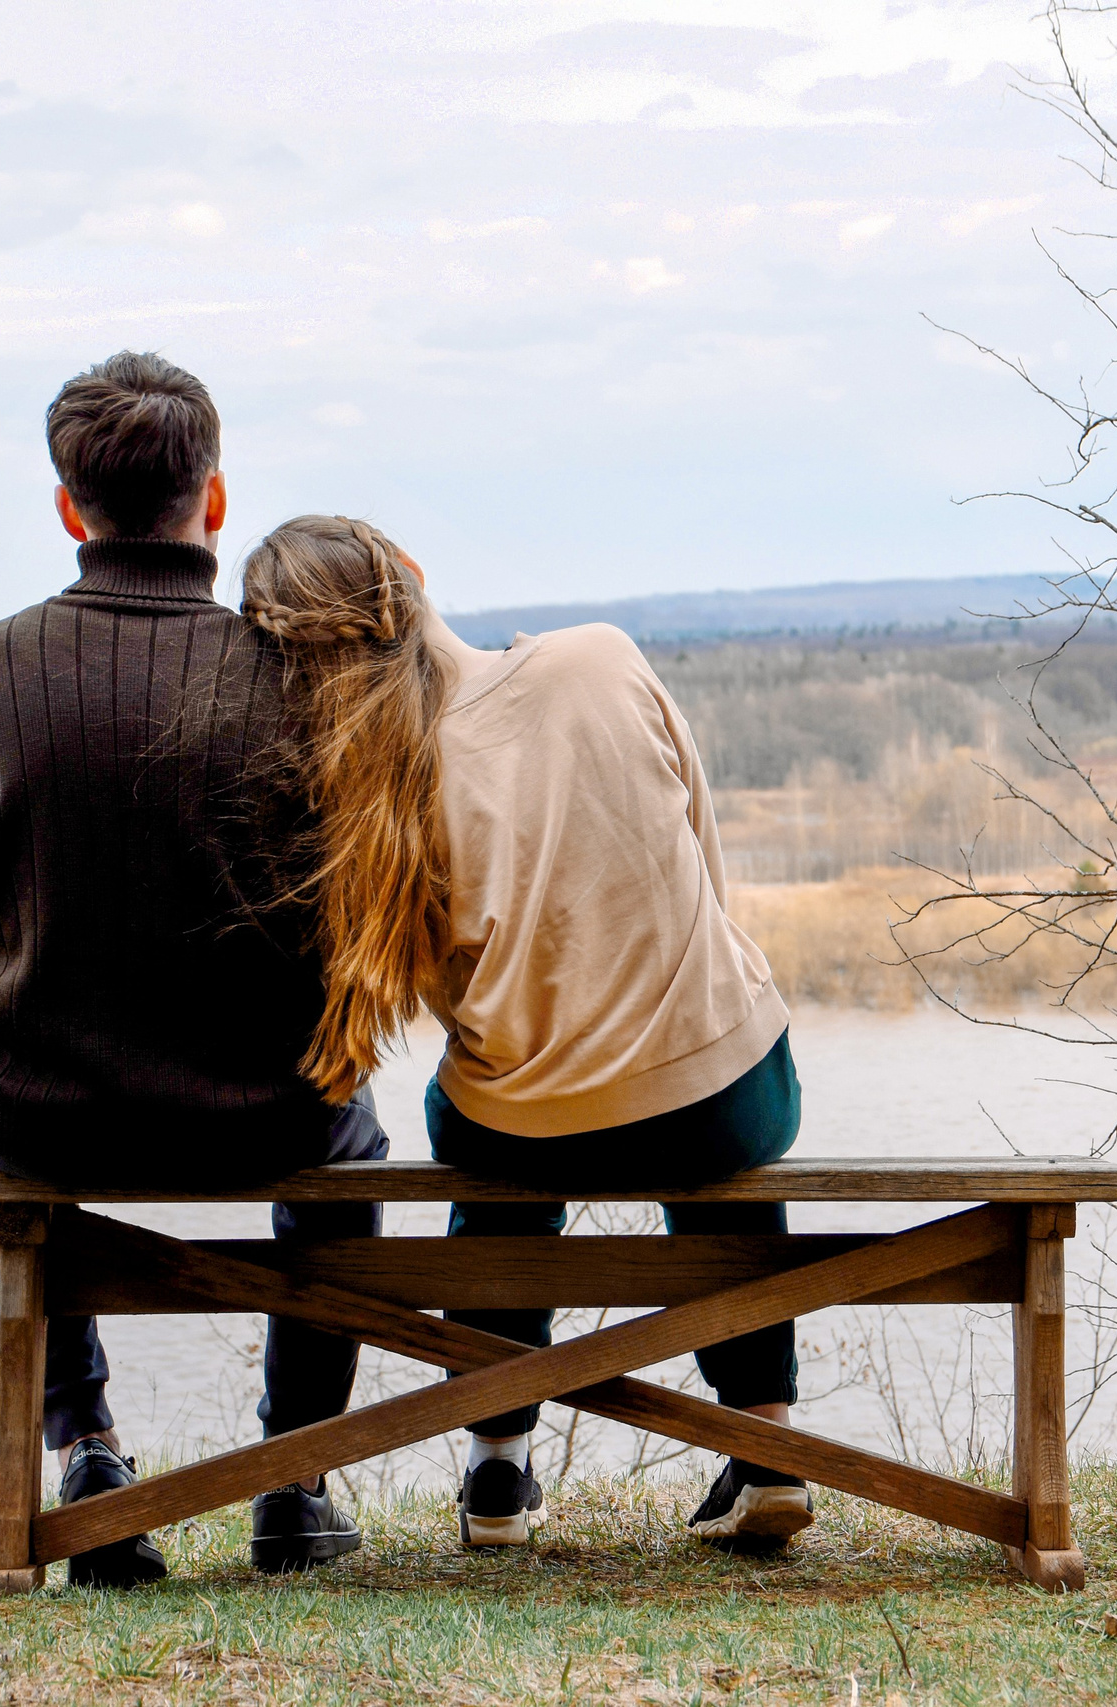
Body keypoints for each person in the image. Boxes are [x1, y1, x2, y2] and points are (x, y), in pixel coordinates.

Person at [239, 514, 813, 1555]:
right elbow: (702, 865)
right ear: (411, 576)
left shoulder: (368, 795)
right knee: (725, 1132)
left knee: (472, 1128)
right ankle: (766, 1445)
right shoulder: (601, 657)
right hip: (717, 1097)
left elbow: (431, 991)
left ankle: (498, 1469)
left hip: (525, 1127)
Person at [0, 353, 382, 1586]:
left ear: (70, 508)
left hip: (47, 1115)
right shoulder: (298, 675)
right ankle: (294, 1479)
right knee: (357, 1132)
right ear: (213, 503)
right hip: (269, 1115)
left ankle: (89, 1454)